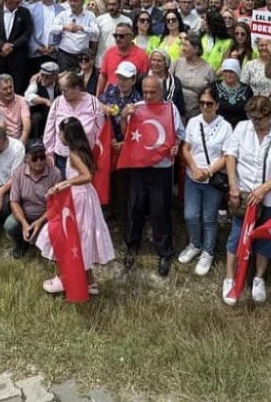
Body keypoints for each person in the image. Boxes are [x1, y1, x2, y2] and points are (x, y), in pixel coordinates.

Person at [35, 117, 116, 295]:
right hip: (85, 197)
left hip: (78, 200)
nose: (59, 135)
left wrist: (65, 184)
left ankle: (63, 279)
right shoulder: (83, 151)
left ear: (68, 135)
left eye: (61, 132)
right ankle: (90, 283)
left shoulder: (74, 155)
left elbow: (86, 176)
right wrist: (63, 185)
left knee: (66, 236)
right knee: (82, 239)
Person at [222, 95, 271, 306]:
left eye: (259, 119)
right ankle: (230, 277)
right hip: (243, 196)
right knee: (236, 236)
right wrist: (233, 186)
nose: (255, 122)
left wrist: (263, 190)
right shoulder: (242, 128)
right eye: (252, 118)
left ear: (270, 117)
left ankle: (259, 278)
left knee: (267, 239)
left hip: (270, 199)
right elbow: (231, 155)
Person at [123, 75, 185, 277]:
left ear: (161, 91)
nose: (148, 96)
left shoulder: (171, 109)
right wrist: (123, 117)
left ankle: (165, 252)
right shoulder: (136, 107)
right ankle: (132, 246)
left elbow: (180, 134)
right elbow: (126, 134)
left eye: (153, 92)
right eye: (145, 92)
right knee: (135, 206)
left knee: (160, 209)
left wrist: (176, 146)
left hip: (162, 167)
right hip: (139, 165)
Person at [180, 86, 230, 277]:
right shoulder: (193, 122)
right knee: (190, 215)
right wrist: (194, 168)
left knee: (209, 218)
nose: (205, 107)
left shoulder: (225, 127)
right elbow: (186, 148)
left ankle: (208, 251)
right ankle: (195, 244)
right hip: (193, 176)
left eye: (209, 103)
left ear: (217, 105)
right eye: (201, 103)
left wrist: (208, 171)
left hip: (212, 179)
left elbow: (226, 155)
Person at [7, 139, 64, 258]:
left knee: (58, 228)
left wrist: (40, 221)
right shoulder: (18, 173)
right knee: (10, 224)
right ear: (27, 159)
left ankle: (45, 245)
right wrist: (24, 223)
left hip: (46, 217)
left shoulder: (56, 174)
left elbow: (57, 205)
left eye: (42, 157)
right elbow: (14, 202)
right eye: (34, 158)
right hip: (25, 215)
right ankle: (22, 244)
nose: (39, 161)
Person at [44, 70, 104, 174]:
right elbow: (49, 129)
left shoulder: (93, 103)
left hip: (85, 156)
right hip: (62, 156)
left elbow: (101, 130)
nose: (63, 94)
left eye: (66, 90)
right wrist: (49, 152)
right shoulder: (57, 102)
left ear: (77, 88)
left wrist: (98, 152)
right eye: (61, 90)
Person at [49, 0, 99, 72]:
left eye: (75, 1)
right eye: (71, 1)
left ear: (82, 1)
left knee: (81, 79)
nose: (72, 3)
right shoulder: (63, 14)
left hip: (82, 56)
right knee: (64, 78)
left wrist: (82, 28)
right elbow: (52, 29)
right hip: (65, 54)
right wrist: (64, 27)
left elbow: (96, 33)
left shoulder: (90, 15)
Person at [173, 33, 217, 121]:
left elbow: (213, 92)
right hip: (176, 109)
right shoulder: (177, 63)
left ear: (196, 49)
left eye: (186, 45)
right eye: (182, 45)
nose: (183, 48)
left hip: (197, 111)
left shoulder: (208, 69)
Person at [97, 22, 149, 94]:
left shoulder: (142, 56)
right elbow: (103, 76)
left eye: (121, 36)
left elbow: (144, 81)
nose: (118, 39)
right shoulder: (109, 52)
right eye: (115, 36)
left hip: (131, 97)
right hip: (108, 96)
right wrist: (98, 96)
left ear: (131, 36)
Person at [95, 0, 132, 65]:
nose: (111, 7)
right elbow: (95, 41)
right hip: (102, 61)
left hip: (121, 61)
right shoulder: (99, 20)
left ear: (119, 5)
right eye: (109, 4)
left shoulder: (127, 21)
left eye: (114, 4)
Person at [148, 49, 187, 119]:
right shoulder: (143, 79)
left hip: (170, 118)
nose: (156, 63)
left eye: (159, 61)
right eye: (153, 60)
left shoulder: (175, 82)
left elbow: (181, 108)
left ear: (166, 63)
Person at [213, 58, 253, 124]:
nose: (228, 74)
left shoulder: (247, 89)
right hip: (218, 125)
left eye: (232, 72)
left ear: (237, 72)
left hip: (240, 126)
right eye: (226, 71)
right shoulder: (214, 87)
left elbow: (250, 111)